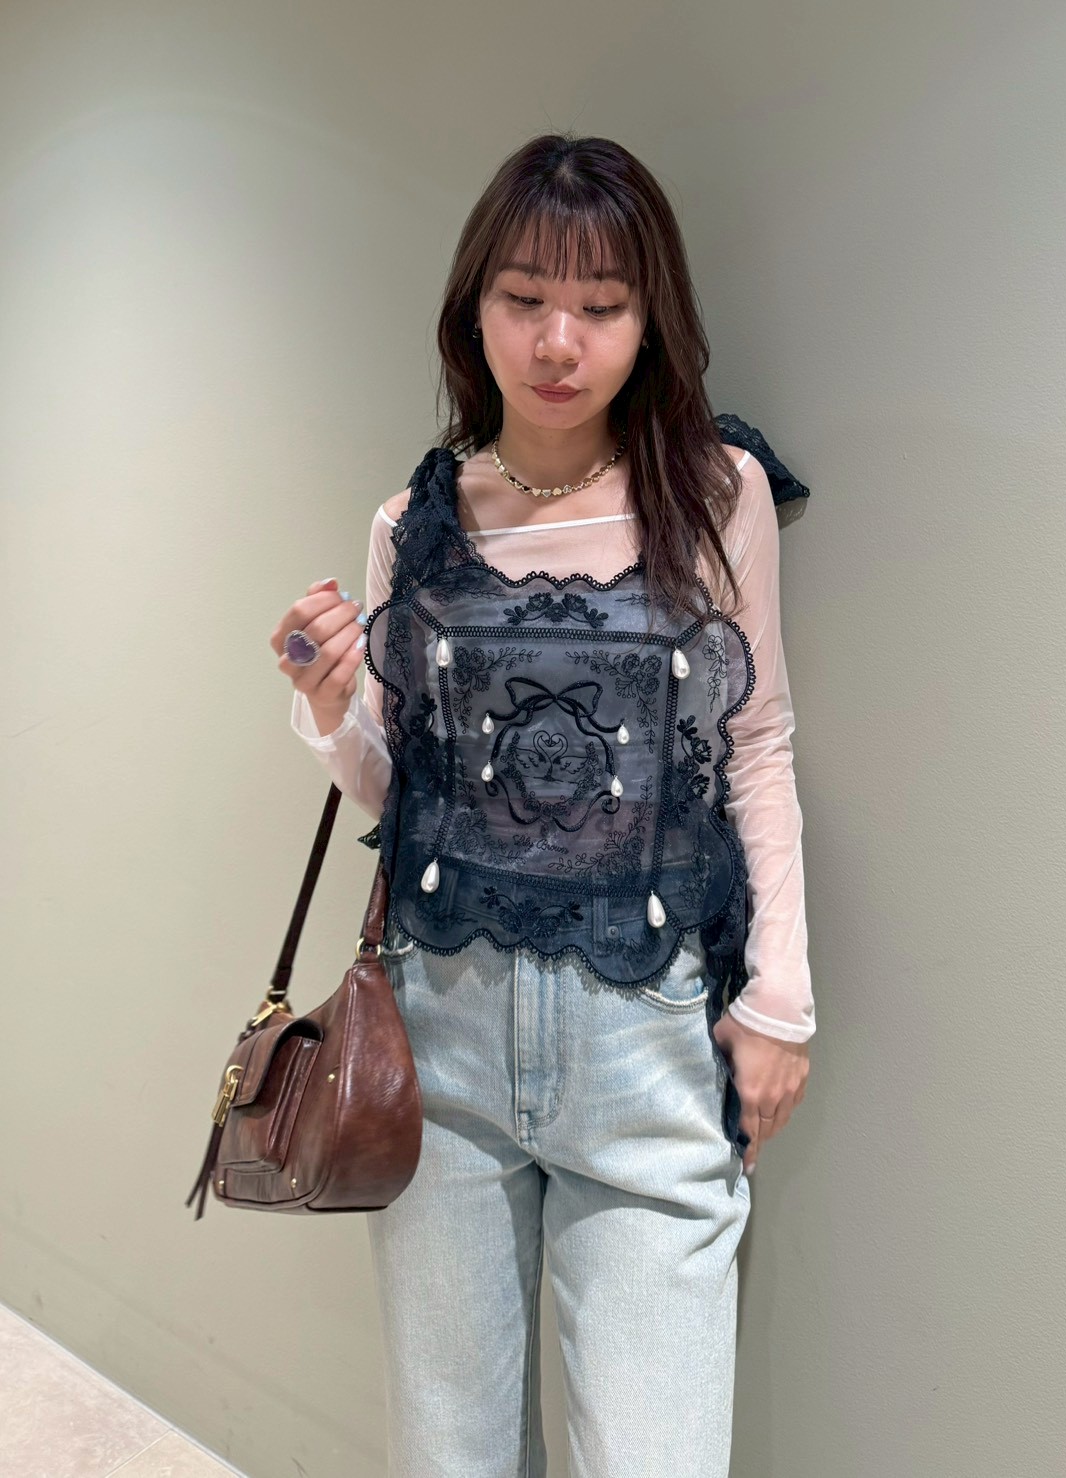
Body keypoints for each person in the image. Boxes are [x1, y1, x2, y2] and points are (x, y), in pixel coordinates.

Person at [271, 133, 815, 1478]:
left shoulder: (717, 493)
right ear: (475, 308)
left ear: (651, 319)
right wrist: (331, 706)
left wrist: (779, 1005)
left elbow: (756, 743)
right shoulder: (416, 524)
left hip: (649, 1048)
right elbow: (406, 795)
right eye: (524, 298)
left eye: (602, 305)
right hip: (443, 1038)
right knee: (451, 1453)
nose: (559, 342)